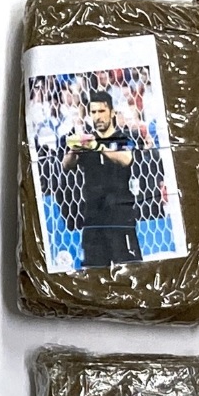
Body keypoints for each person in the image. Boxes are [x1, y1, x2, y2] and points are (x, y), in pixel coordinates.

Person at [62, 89, 141, 268]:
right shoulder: (88, 140)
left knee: (128, 268)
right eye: (93, 112)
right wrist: (74, 149)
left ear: (112, 113)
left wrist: (98, 147)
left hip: (119, 214)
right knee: (94, 270)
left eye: (101, 111)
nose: (97, 116)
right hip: (93, 215)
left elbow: (125, 158)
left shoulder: (122, 138)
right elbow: (66, 165)